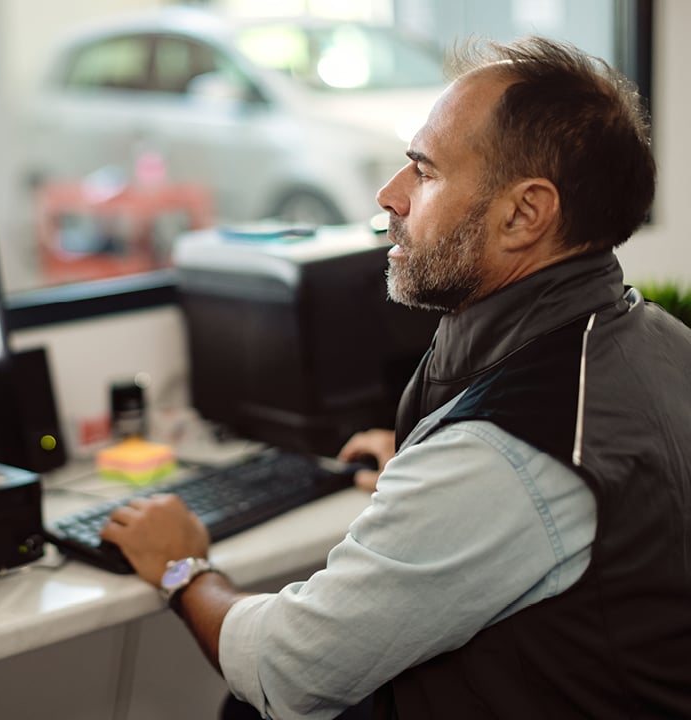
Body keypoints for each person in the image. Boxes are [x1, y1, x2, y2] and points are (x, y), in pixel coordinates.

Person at [99, 35, 691, 719]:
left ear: (525, 214)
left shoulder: (509, 457)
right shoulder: (654, 338)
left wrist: (183, 567)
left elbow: (282, 670)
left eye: (425, 171)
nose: (389, 195)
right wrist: (431, 469)